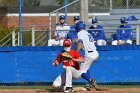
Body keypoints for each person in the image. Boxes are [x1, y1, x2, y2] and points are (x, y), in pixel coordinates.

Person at [75, 21, 99, 88]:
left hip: (90, 54)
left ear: (78, 27)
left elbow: (80, 43)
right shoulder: (87, 33)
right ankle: (90, 83)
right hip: (95, 53)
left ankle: (91, 81)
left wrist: (76, 52)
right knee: (86, 68)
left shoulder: (80, 33)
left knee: (81, 72)